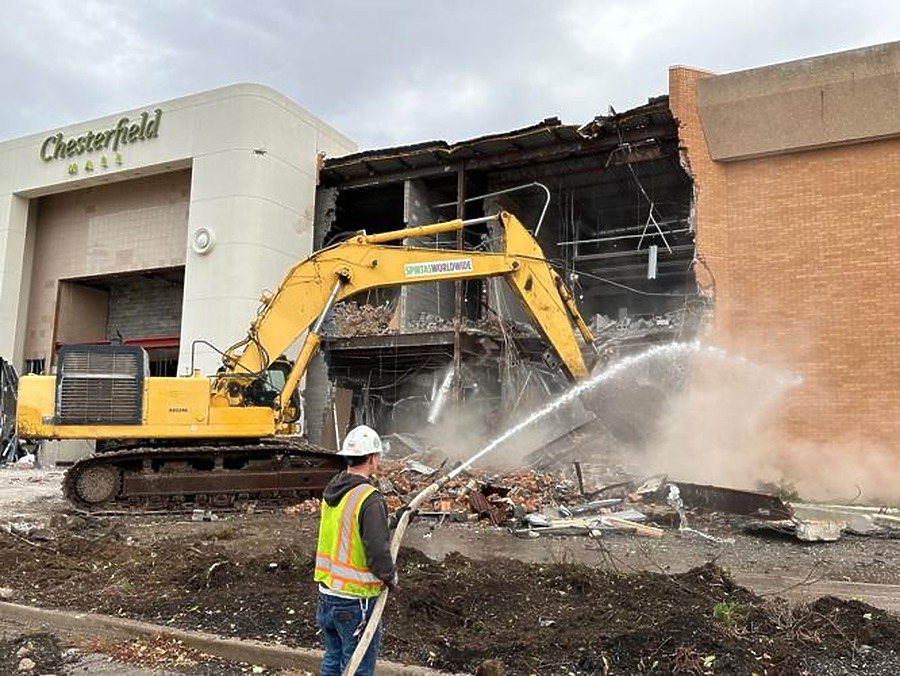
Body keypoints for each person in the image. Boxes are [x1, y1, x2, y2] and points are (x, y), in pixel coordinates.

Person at [314, 424, 397, 676]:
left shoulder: (335, 489)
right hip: (355, 600)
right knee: (357, 666)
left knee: (333, 659)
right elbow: (377, 551)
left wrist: (393, 519)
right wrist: (390, 576)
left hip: (327, 593)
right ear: (372, 458)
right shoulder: (369, 497)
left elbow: (350, 526)